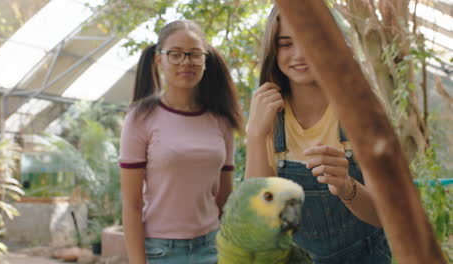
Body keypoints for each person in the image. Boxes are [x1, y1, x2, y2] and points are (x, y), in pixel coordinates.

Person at [245, 7, 392, 264]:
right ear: (273, 50)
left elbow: (387, 214)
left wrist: (346, 187)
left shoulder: (362, 110)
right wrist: (255, 135)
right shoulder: (267, 113)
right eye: (286, 44)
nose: (300, 54)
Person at [119, 20, 243, 264]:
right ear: (158, 60)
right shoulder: (140, 118)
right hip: (160, 251)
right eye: (175, 54)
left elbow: (225, 198)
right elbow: (131, 204)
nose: (186, 62)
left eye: (195, 54)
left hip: (213, 247)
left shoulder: (221, 120)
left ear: (205, 60)